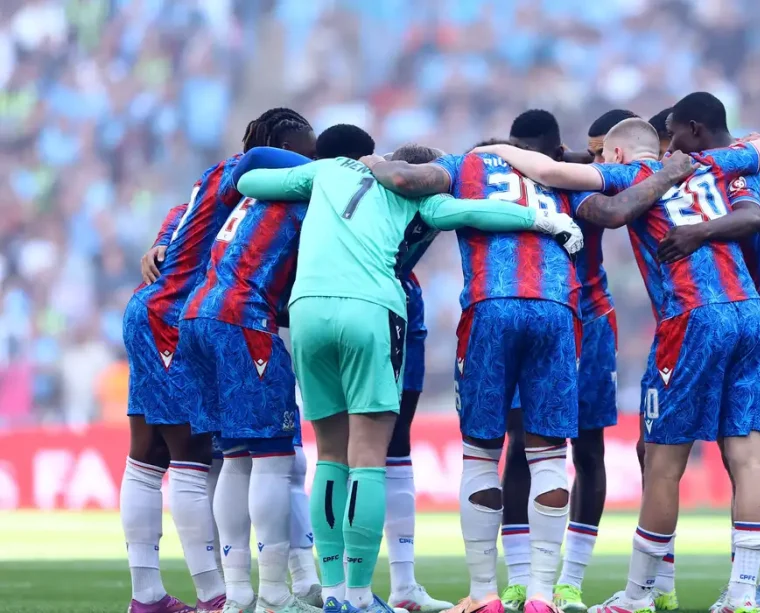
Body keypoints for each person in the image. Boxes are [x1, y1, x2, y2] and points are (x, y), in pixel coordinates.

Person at [235, 142, 583, 613]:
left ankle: (333, 591)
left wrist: (314, 174)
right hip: (371, 309)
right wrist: (542, 221)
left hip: (306, 312)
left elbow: (248, 181)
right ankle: (360, 595)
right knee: (367, 457)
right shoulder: (422, 200)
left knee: (330, 455)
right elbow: (478, 212)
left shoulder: (327, 172)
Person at [370, 109, 688, 613]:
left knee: (481, 454)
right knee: (548, 455)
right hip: (558, 311)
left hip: (490, 309)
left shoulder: (466, 165)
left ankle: (483, 594)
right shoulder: (562, 178)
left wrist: (368, 162)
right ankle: (542, 593)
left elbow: (408, 178)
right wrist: (663, 169)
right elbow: (610, 202)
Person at [476, 117, 760, 613]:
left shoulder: (631, 175)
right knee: (749, 456)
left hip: (692, 314)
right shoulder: (712, 163)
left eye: (604, 157)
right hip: (749, 312)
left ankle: (639, 593)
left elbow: (556, 176)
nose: (601, 163)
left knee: (664, 464)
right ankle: (742, 596)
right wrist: (749, 146)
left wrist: (495, 151)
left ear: (619, 156)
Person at [123, 107, 315, 613]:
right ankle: (215, 595)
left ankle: (150, 596)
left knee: (148, 458)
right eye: (303, 152)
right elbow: (254, 160)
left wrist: (161, 245)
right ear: (282, 148)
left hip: (159, 308)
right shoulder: (245, 177)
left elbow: (174, 225)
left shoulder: (208, 180)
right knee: (191, 459)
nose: (308, 164)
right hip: (177, 315)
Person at [657, 92, 760, 613]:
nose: (669, 148)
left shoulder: (734, 162)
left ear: (695, 130)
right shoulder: (758, 156)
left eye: (673, 135)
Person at [498, 108, 640, 613]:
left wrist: (577, 159)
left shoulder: (587, 182)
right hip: (534, 320)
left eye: (602, 150)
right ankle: (518, 580)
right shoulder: (513, 180)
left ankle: (570, 582)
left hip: (591, 321)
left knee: (588, 448)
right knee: (520, 444)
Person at [385, 144, 455, 613]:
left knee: (393, 446)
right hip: (378, 305)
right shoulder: (401, 200)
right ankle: (345, 585)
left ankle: (401, 585)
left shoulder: (421, 206)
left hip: (403, 307)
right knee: (367, 449)